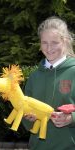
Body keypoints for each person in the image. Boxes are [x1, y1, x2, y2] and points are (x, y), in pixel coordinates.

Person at [22, 16, 75, 150]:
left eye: (54, 42)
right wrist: (28, 118)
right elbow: (22, 112)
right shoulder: (34, 76)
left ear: (65, 41)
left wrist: (71, 118)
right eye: (44, 42)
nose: (49, 47)